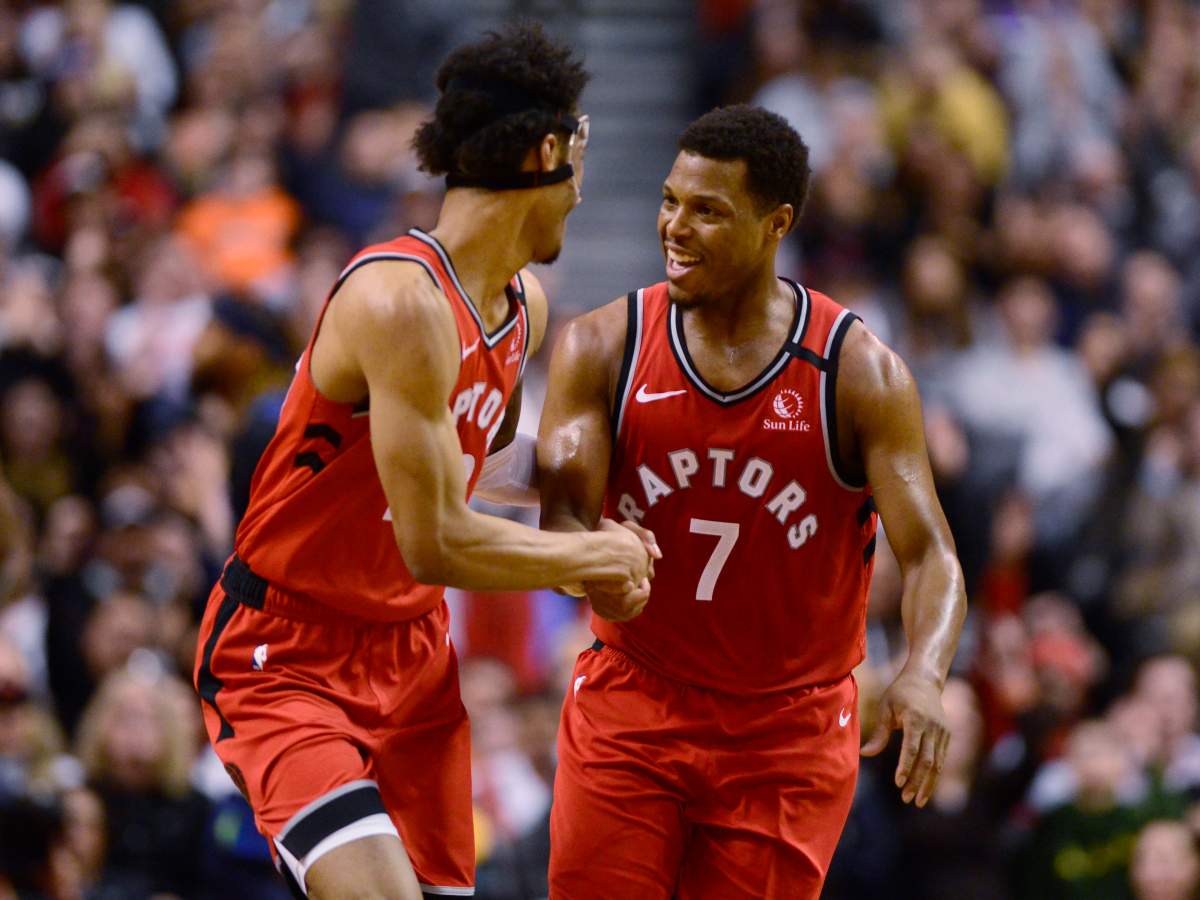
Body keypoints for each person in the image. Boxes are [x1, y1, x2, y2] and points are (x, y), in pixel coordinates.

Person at [192, 23, 654, 900]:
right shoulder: (401, 300)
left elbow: (468, 464)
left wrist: (609, 473)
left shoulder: (525, 307)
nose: (582, 197)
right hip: (289, 648)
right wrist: (590, 556)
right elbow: (435, 539)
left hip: (410, 657)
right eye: (579, 169)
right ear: (548, 153)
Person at [538, 104, 967, 899]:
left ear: (776, 224)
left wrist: (924, 673)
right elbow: (561, 523)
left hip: (787, 732)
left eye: (708, 211)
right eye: (670, 200)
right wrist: (589, 566)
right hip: (636, 699)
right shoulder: (604, 345)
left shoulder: (857, 373)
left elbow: (931, 553)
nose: (675, 225)